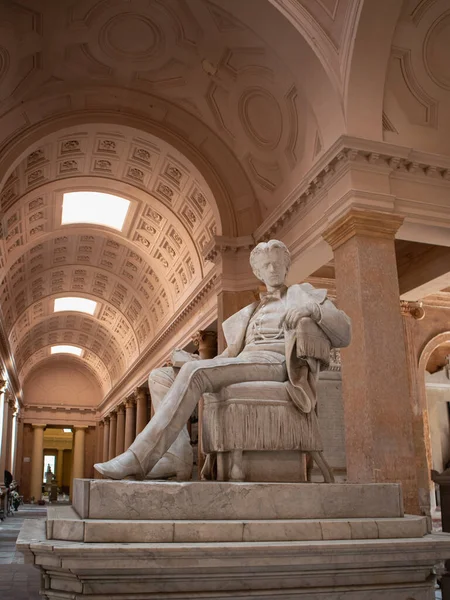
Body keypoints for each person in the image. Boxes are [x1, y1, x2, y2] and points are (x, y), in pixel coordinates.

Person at [95, 240, 351, 480]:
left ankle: (138, 458)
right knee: (160, 376)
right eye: (266, 265)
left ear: (287, 266)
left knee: (196, 372)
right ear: (259, 273)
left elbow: (344, 331)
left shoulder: (301, 294)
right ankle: (177, 457)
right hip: (245, 362)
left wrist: (312, 310)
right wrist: (195, 360)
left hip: (277, 363)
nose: (272, 269)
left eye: (277, 263)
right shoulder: (253, 309)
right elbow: (232, 355)